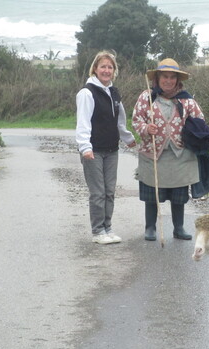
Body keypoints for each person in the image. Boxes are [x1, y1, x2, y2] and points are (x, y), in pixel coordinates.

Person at [132, 58, 204, 241]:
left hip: (180, 155)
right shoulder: (146, 97)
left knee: (179, 195)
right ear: (157, 78)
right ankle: (150, 228)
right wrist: (146, 129)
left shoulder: (186, 100)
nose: (168, 81)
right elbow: (136, 120)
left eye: (173, 77)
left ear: (178, 80)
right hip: (153, 155)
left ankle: (178, 228)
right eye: (165, 76)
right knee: (152, 193)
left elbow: (199, 120)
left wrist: (195, 132)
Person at [76, 50, 136, 244]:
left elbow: (120, 121)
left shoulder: (114, 92)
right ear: (95, 68)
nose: (106, 70)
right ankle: (98, 231)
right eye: (103, 66)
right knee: (98, 192)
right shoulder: (87, 93)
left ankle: (108, 228)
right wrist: (85, 147)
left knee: (110, 191)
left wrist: (128, 138)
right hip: (93, 150)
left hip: (112, 150)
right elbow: (83, 123)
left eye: (110, 67)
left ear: (114, 70)